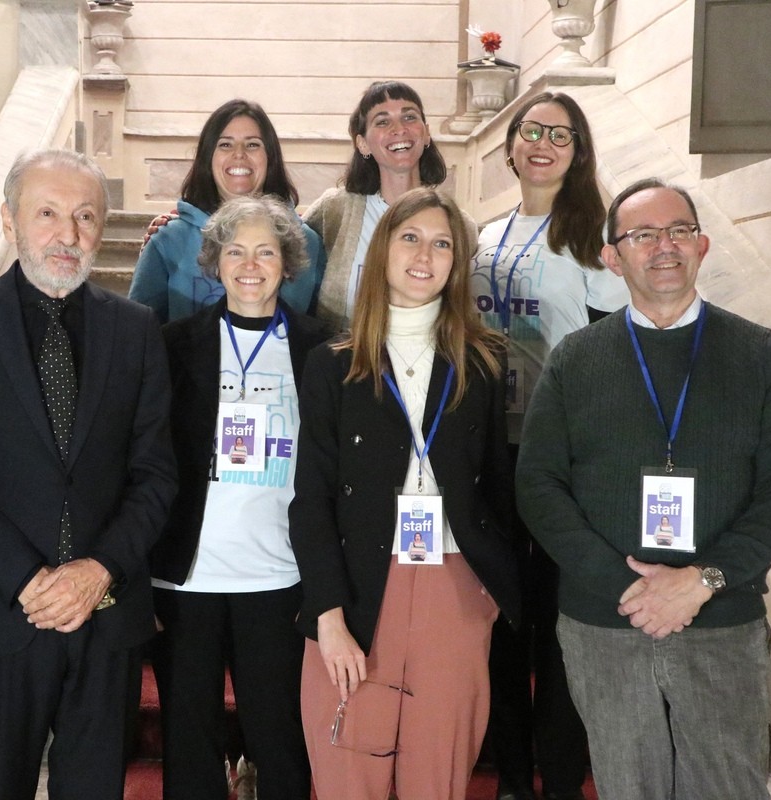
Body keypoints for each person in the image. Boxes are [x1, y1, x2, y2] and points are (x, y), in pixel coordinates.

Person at [516, 179, 771, 800]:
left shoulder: (759, 353)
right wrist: (628, 588)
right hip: (605, 623)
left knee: (727, 786)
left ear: (702, 245)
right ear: (612, 257)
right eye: (643, 235)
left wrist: (701, 580)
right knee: (628, 786)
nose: (664, 246)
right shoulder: (574, 359)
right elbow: (540, 486)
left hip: (721, 620)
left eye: (679, 230)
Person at [0, 149, 178, 800]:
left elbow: (156, 474)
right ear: (9, 221)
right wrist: (26, 580)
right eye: (48, 214)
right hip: (0, 611)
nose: (68, 234)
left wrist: (98, 570)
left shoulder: (137, 329)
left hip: (107, 612)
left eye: (85, 216)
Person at [290, 187, 520, 799]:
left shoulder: (483, 361)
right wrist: (327, 615)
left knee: (437, 776)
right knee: (347, 774)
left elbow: (497, 487)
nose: (425, 255)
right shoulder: (332, 365)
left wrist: (490, 596)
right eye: (411, 238)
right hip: (359, 585)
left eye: (442, 244)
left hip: (455, 588)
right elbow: (311, 498)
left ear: (456, 262)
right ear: (382, 250)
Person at [470, 91, 627, 800]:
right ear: (510, 145)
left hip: (560, 456)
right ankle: (511, 774)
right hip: (488, 450)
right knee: (504, 617)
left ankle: (560, 777)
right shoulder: (484, 236)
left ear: (578, 151)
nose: (542, 144)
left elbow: (617, 352)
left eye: (560, 136)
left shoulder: (594, 240)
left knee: (560, 624)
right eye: (531, 131)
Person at [151, 195, 333, 800]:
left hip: (279, 576)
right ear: (215, 261)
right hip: (187, 579)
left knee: (280, 741)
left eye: (265, 252)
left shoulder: (322, 349)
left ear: (288, 263)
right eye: (236, 251)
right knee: (189, 746)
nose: (250, 265)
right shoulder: (173, 346)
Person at [129, 99, 325, 323]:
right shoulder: (168, 240)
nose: (239, 154)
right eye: (225, 145)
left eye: (252, 144)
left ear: (270, 157)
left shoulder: (308, 242)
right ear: (208, 157)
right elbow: (138, 331)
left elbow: (320, 332)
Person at [305, 80, 448, 329]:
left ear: (426, 133)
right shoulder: (335, 209)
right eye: (382, 121)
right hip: (341, 351)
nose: (399, 129)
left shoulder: (456, 223)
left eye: (409, 117)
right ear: (362, 143)